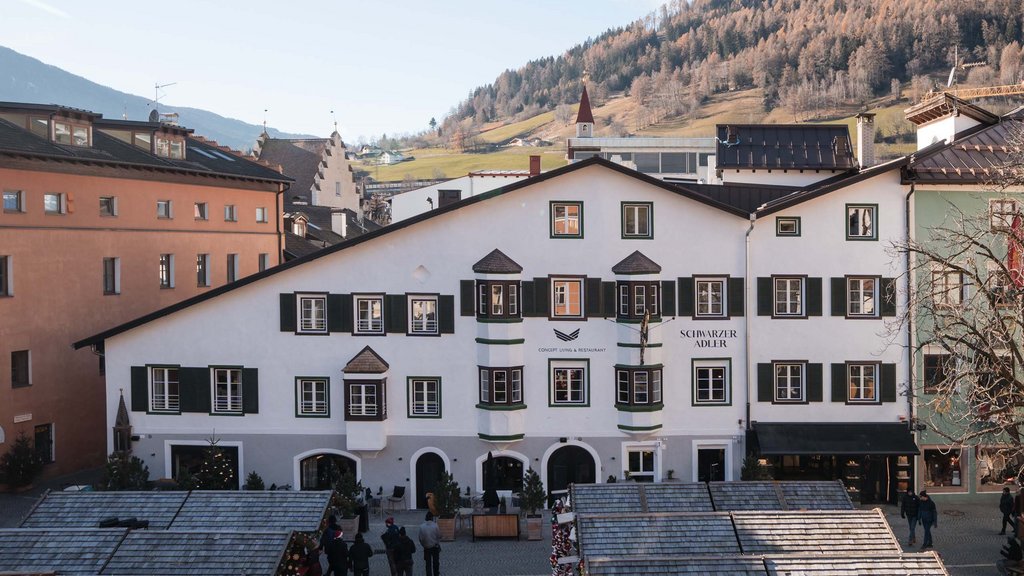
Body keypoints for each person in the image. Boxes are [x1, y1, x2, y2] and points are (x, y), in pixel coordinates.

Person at [418, 512, 442, 576]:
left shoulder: (421, 527)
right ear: (432, 518)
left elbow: (420, 539)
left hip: (426, 547)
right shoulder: (435, 525)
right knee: (436, 562)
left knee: (428, 563)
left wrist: (424, 545)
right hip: (435, 546)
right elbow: (439, 536)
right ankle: (436, 574)